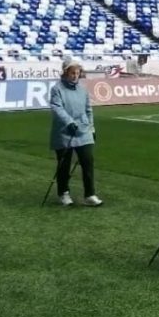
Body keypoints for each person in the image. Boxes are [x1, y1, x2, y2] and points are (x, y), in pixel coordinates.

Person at [49, 59, 102, 207]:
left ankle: (89, 195)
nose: (75, 75)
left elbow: (88, 110)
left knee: (87, 161)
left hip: (83, 130)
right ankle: (63, 193)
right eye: (73, 73)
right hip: (64, 131)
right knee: (64, 164)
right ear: (66, 72)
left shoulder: (82, 90)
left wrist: (92, 128)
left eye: (77, 73)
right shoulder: (57, 89)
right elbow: (57, 107)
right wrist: (69, 122)